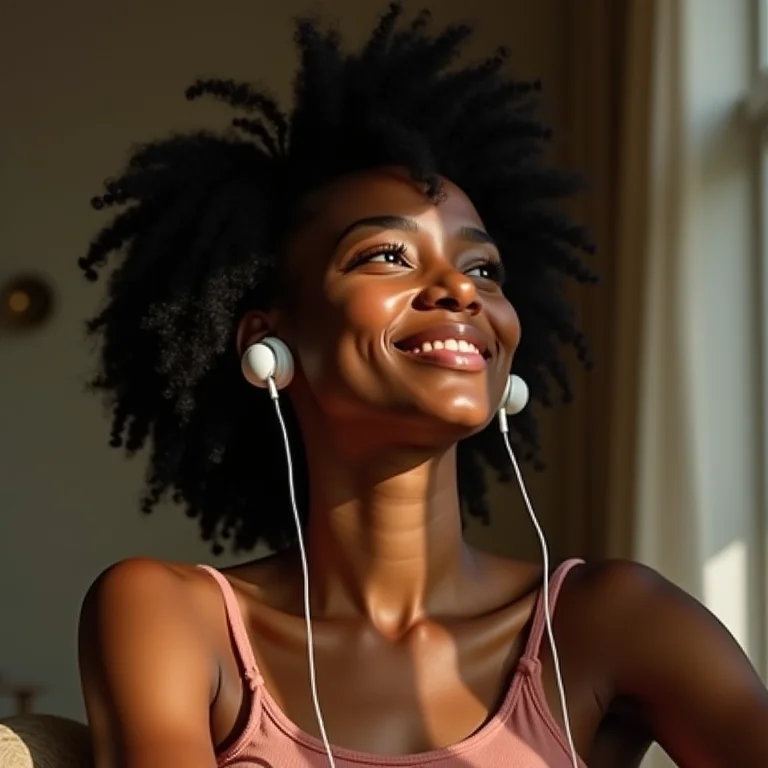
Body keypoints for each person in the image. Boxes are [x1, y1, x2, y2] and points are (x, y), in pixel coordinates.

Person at [76, 5, 768, 767]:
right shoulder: (172, 617)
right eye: (387, 257)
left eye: (482, 270)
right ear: (267, 340)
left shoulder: (608, 620)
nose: (461, 293)